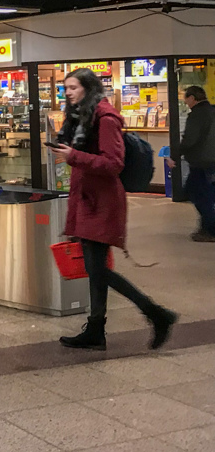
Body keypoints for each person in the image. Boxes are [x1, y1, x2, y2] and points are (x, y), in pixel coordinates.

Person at [51, 68, 177, 351]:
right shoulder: (81, 118)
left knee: (97, 268)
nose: (68, 93)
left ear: (88, 88)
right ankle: (96, 329)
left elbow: (113, 163)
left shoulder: (105, 119)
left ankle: (157, 314)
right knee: (95, 268)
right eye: (66, 88)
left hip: (102, 201)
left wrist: (75, 156)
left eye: (73, 88)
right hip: (87, 198)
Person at [168, 85, 215, 242]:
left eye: (186, 99)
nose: (185, 102)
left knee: (198, 194)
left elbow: (190, 140)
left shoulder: (197, 115)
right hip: (211, 162)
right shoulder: (213, 111)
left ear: (192, 98)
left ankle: (211, 230)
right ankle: (205, 227)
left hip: (201, 162)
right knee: (207, 194)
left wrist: (174, 155)